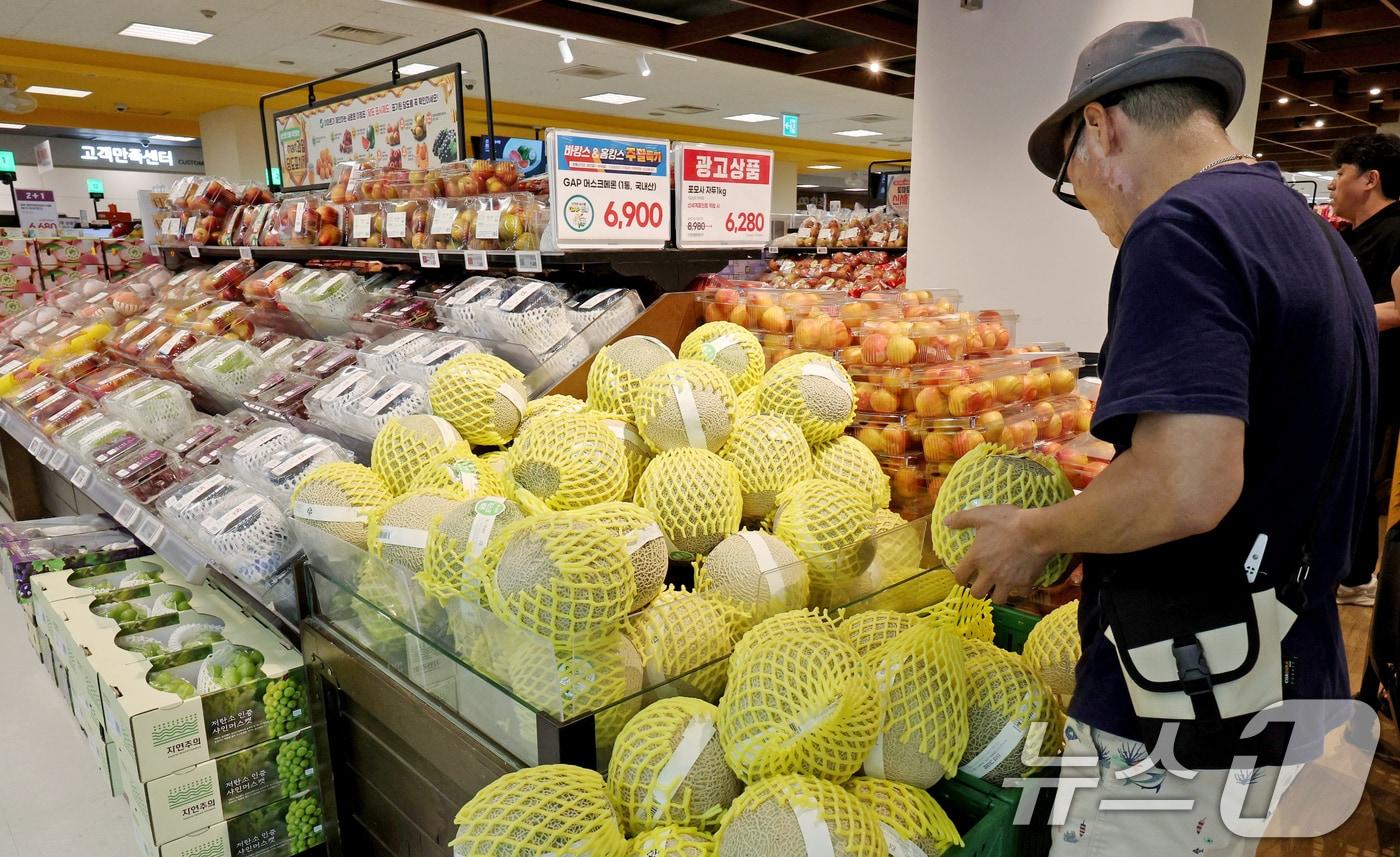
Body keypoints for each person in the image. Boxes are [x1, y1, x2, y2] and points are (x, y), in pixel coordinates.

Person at [950, 18, 1377, 857]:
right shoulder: (1310, 236)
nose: (1092, 212)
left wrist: (1035, 530)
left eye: (1074, 180)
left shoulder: (1180, 232)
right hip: (1285, 661)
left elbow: (1190, 482)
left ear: (1102, 126)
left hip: (1186, 684)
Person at [1329, 132, 1400, 607]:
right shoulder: (1355, 233)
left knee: (1354, 476)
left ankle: (1355, 578)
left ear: (1370, 180)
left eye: (1340, 172)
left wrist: (1335, 313)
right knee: (1339, 473)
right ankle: (1340, 569)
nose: (1333, 183)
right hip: (1350, 376)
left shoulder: (1397, 230)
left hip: (1377, 381)